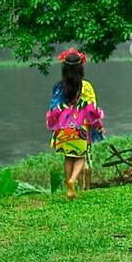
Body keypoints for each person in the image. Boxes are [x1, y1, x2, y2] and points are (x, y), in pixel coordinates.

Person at [45, 48, 104, 199]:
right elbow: (92, 109)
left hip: (64, 128)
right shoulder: (86, 86)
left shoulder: (59, 87)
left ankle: (69, 188)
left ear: (64, 68)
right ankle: (72, 180)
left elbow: (53, 108)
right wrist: (98, 126)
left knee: (68, 156)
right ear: (80, 68)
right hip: (80, 128)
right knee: (80, 157)